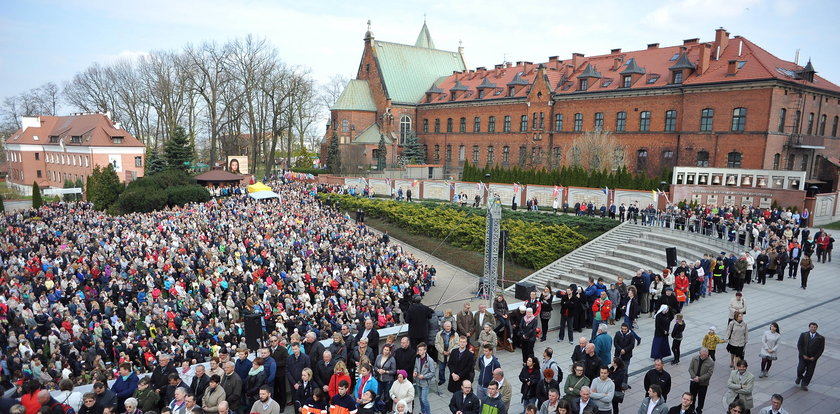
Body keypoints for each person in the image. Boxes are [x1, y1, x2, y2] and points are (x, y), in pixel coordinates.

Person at [795, 321, 825, 391]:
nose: (813, 328)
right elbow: (799, 345)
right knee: (800, 369)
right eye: (812, 327)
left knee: (810, 372)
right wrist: (803, 354)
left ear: (816, 328)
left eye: (815, 327)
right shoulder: (803, 335)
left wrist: (815, 357)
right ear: (809, 327)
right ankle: (799, 377)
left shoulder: (821, 338)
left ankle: (804, 384)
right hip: (803, 356)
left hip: (812, 358)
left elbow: (821, 349)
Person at [688, 348, 714, 414]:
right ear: (699, 353)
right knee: (692, 396)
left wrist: (699, 378)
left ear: (708, 354)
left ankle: (699, 410)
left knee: (701, 398)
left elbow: (709, 373)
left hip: (703, 384)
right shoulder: (694, 359)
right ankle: (691, 409)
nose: (703, 356)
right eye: (702, 355)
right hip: (694, 381)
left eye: (705, 355)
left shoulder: (710, 362)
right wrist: (694, 377)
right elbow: (690, 369)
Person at [414, 342, 436, 414]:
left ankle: (428, 412)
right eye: (418, 350)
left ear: (425, 350)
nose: (419, 351)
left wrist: (424, 376)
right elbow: (416, 367)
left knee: (424, 399)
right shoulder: (417, 358)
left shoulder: (430, 360)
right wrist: (415, 372)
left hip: (425, 383)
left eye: (420, 350)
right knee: (420, 399)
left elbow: (432, 373)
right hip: (418, 382)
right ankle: (423, 411)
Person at [374, 344, 397, 411]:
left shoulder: (392, 359)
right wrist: (378, 370)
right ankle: (378, 408)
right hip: (379, 379)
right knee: (378, 394)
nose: (385, 351)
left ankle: (386, 409)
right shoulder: (378, 356)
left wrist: (385, 371)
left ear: (390, 351)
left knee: (387, 395)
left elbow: (393, 371)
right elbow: (375, 366)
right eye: (385, 349)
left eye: (387, 350)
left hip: (388, 380)